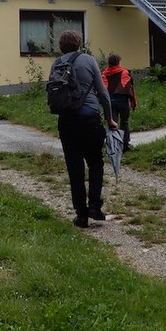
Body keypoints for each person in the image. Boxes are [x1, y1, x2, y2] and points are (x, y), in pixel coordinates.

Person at [51, 30, 117, 228]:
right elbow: (103, 93)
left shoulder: (56, 63)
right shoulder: (89, 60)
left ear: (61, 46)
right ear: (79, 44)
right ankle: (95, 207)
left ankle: (81, 216)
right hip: (89, 118)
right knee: (95, 162)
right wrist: (110, 118)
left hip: (66, 120)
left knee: (75, 168)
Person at [101, 53, 137, 151]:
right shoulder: (124, 73)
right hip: (123, 102)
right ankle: (125, 145)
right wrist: (133, 103)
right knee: (124, 122)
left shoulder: (104, 74)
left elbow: (102, 90)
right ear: (118, 62)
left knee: (113, 124)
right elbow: (130, 89)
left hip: (110, 103)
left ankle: (114, 146)